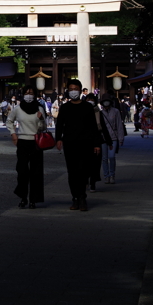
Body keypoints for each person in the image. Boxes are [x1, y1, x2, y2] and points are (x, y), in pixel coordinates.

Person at [55, 79, 107, 211]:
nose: (73, 92)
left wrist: (96, 144)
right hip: (70, 143)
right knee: (72, 172)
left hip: (86, 143)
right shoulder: (65, 107)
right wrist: (58, 139)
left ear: (80, 90)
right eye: (71, 89)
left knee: (83, 171)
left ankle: (82, 197)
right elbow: (59, 125)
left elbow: (94, 127)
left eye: (75, 89)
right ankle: (75, 198)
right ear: (68, 91)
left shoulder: (87, 107)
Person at [7, 91, 46, 209]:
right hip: (23, 141)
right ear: (23, 95)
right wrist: (13, 133)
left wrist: (41, 119)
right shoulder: (18, 108)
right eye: (27, 93)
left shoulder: (39, 108)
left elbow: (43, 127)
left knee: (36, 172)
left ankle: (33, 199)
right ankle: (23, 196)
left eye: (31, 93)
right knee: (22, 170)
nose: (29, 95)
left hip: (36, 141)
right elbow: (9, 121)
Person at [100, 97, 126, 183]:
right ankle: (106, 175)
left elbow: (119, 125)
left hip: (113, 137)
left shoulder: (115, 111)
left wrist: (121, 138)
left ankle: (112, 175)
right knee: (104, 158)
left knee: (111, 156)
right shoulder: (100, 112)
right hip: (103, 138)